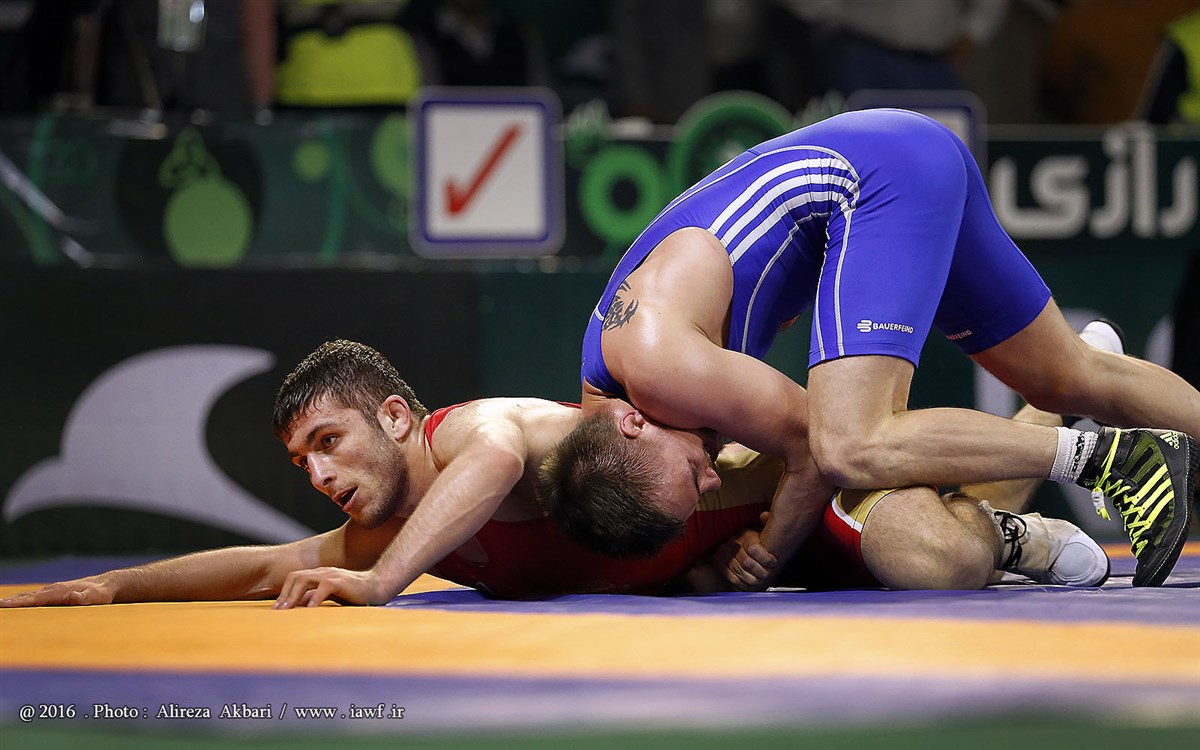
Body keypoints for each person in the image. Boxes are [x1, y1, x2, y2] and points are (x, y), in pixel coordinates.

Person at [539, 108, 1199, 589]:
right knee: (1070, 377)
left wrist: (768, 551)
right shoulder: (622, 388)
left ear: (631, 426)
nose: (710, 478)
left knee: (850, 442)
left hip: (875, 182)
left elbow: (810, 450)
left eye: (692, 475)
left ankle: (1110, 458)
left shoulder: (656, 366)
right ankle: (1097, 449)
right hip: (901, 159)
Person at [0, 339, 1107, 609]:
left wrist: (381, 586)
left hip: (776, 502)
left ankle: (1032, 479)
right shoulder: (390, 527)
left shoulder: (475, 434)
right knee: (924, 543)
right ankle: (1052, 413)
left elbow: (489, 465)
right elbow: (263, 564)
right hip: (733, 561)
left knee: (930, 554)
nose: (319, 475)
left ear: (399, 417)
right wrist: (106, 588)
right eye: (302, 462)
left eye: (329, 441)